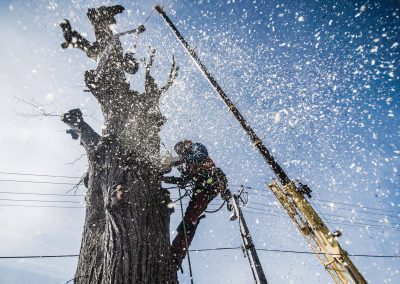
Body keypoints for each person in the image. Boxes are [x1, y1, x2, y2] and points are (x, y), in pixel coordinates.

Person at [163, 140, 232, 270]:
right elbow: (183, 181)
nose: (181, 153)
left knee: (190, 220)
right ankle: (178, 250)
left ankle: (178, 253)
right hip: (200, 190)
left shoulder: (196, 148)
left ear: (185, 146)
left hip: (211, 184)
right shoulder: (189, 164)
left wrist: (175, 160)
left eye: (181, 150)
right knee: (189, 219)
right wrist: (163, 178)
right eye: (179, 152)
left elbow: (200, 155)